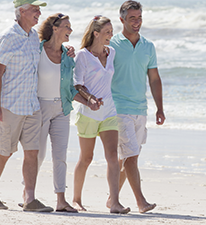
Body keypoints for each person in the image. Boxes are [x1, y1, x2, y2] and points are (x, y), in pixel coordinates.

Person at [0, 0, 53, 212]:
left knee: (32, 152)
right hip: (10, 106)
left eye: (39, 9)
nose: (39, 13)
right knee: (4, 152)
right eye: (35, 9)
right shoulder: (7, 37)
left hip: (32, 106)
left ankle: (30, 199)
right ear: (21, 11)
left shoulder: (33, 36)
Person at [71, 15, 130, 214]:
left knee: (113, 156)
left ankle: (114, 202)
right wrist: (90, 99)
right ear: (96, 33)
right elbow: (77, 84)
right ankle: (76, 199)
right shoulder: (82, 56)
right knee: (86, 158)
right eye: (107, 32)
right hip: (88, 113)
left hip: (109, 112)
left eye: (111, 32)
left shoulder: (111, 52)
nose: (110, 36)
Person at [109, 0, 163, 214]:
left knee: (129, 156)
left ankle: (112, 199)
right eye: (132, 18)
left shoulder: (148, 46)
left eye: (139, 17)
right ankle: (141, 202)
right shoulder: (111, 44)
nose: (137, 22)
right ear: (122, 19)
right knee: (130, 157)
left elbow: (155, 79)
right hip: (118, 108)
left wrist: (160, 108)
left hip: (141, 109)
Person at [34, 12, 87, 213]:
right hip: (39, 108)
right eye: (67, 26)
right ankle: (28, 194)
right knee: (37, 155)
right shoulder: (37, 50)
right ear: (54, 28)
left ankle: (61, 200)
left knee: (60, 156)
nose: (70, 30)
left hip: (62, 109)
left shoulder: (67, 56)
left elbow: (70, 88)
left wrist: (88, 101)